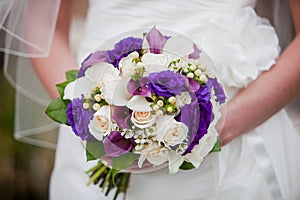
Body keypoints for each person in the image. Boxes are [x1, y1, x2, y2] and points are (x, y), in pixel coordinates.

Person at [3, 0, 300, 199]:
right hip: (100, 126)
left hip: (235, 148)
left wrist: (220, 127)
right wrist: (88, 115)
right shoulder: (94, 119)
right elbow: (44, 31)